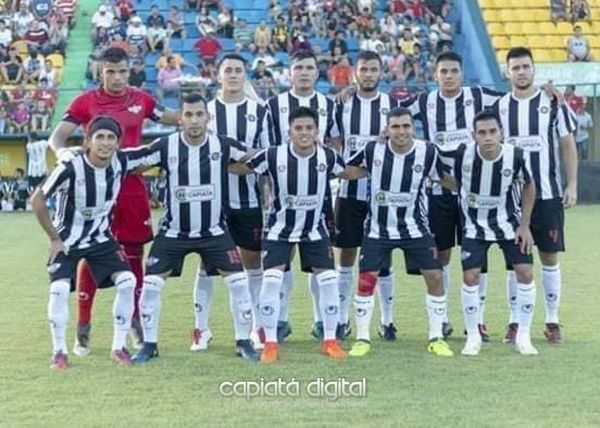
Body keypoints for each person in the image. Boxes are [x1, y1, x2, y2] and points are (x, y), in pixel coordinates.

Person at [48, 47, 179, 357]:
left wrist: (203, 113)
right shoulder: (85, 102)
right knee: (88, 252)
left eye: (122, 71)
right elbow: (58, 137)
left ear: (129, 71)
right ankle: (83, 327)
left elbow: (176, 119)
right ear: (100, 72)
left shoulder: (142, 100)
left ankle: (133, 324)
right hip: (92, 187)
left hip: (130, 188)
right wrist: (61, 152)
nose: (118, 78)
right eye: (111, 72)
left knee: (133, 255)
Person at [129, 92, 259, 364]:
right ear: (180, 119)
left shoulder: (223, 145)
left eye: (200, 114)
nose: (194, 120)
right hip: (174, 232)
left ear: (207, 117)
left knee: (238, 282)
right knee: (151, 285)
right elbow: (133, 161)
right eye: (188, 115)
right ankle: (149, 345)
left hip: (214, 231)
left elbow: (254, 158)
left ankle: (243, 341)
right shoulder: (165, 146)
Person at [30, 116, 153, 371]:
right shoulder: (70, 166)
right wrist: (54, 238)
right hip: (67, 240)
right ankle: (59, 352)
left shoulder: (121, 161)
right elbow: (37, 200)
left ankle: (118, 347)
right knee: (59, 290)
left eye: (111, 138)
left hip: (100, 239)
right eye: (100, 137)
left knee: (128, 282)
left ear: (118, 143)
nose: (105, 143)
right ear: (88, 141)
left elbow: (154, 152)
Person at [228, 107, 348, 363]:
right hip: (278, 231)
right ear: (289, 131)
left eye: (309, 128)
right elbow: (240, 168)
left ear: (317, 131)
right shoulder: (271, 156)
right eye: (298, 128)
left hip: (315, 231)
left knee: (329, 281)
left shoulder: (329, 156)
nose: (304, 133)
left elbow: (349, 173)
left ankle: (330, 340)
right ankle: (270, 343)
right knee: (271, 282)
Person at [342, 107, 453, 358]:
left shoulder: (428, 151)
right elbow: (348, 170)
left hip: (415, 227)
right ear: (387, 129)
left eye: (406, 126)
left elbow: (444, 178)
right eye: (396, 127)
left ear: (413, 129)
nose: (401, 131)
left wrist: (472, 187)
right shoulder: (373, 150)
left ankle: (436, 337)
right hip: (377, 229)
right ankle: (362, 338)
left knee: (435, 276)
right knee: (366, 280)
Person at [491, 47, 577, 345]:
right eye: (515, 68)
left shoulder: (552, 102)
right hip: (511, 198)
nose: (521, 72)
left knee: (549, 257)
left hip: (548, 194)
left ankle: (552, 321)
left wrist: (572, 184)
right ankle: (515, 321)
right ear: (508, 72)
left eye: (526, 66)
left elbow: (567, 144)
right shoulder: (499, 106)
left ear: (534, 69)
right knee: (516, 261)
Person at [439, 111, 538, 356]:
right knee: (471, 276)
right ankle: (473, 336)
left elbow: (528, 185)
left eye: (492, 131)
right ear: (474, 135)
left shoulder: (515, 156)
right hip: (474, 226)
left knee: (525, 272)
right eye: (482, 133)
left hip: (509, 224)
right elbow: (436, 163)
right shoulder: (462, 154)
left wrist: (525, 225)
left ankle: (523, 336)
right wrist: (461, 189)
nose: (488, 137)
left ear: (501, 132)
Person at [196, 54, 271, 352]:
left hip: (249, 198)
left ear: (245, 76)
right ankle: (200, 329)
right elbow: (199, 150)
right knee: (207, 264)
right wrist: (239, 157)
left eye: (239, 70)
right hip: (211, 200)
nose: (233, 75)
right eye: (228, 70)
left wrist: (228, 160)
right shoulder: (207, 111)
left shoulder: (259, 110)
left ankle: (257, 327)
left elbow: (264, 153)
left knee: (253, 262)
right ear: (218, 75)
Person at [266, 49, 341, 343]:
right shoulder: (274, 105)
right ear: (290, 72)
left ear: (316, 72)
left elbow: (335, 141)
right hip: (283, 194)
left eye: (310, 67)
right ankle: (281, 321)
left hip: (319, 194)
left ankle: (321, 321)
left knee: (318, 259)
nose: (305, 72)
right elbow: (266, 148)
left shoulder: (328, 104)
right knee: (282, 260)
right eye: (299, 67)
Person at [332, 50, 399, 344]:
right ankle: (342, 319)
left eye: (373, 69)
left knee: (382, 258)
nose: (368, 74)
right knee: (345, 255)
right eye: (364, 69)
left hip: (383, 195)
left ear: (381, 72)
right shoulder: (341, 105)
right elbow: (335, 143)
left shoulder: (392, 104)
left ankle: (387, 320)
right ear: (355, 73)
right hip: (348, 192)